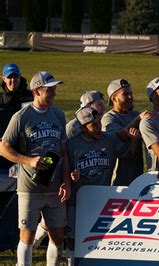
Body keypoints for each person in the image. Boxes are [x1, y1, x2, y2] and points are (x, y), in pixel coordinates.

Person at [0, 71, 70, 266]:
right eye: (50, 90)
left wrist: (65, 181)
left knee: (57, 236)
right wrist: (28, 160)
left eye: (55, 89)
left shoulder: (59, 114)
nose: (54, 93)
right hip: (29, 188)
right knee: (27, 236)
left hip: (55, 188)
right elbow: (3, 148)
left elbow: (63, 150)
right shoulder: (21, 117)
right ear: (37, 91)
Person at [64, 107, 129, 265]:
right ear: (82, 127)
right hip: (77, 201)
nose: (99, 127)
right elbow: (64, 172)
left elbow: (129, 154)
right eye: (93, 125)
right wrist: (71, 177)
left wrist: (133, 139)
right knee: (73, 240)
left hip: (101, 201)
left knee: (99, 241)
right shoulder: (71, 144)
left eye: (99, 122)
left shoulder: (109, 139)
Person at [101, 79, 151, 186]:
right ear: (114, 98)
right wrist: (138, 119)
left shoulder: (135, 114)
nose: (130, 97)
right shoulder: (108, 118)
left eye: (131, 93)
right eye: (125, 94)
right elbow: (120, 135)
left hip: (137, 176)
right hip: (118, 179)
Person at [0, 63, 33, 172]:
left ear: (20, 76)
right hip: (5, 148)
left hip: (27, 147)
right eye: (9, 77)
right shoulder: (0, 100)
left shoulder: (31, 96)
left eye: (15, 76)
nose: (13, 80)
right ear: (3, 78)